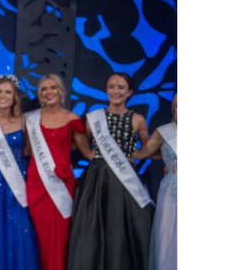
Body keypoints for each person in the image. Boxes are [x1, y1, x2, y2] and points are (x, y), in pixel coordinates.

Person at [67, 73, 154, 270]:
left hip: (126, 180)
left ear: (129, 92)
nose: (116, 91)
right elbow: (81, 140)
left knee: (122, 226)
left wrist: (135, 155)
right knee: (94, 226)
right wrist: (88, 153)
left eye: (121, 87)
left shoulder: (138, 120)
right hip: (98, 179)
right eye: (111, 86)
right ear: (106, 90)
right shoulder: (94, 117)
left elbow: (148, 147)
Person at [0, 74, 40, 270]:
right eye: (0, 91)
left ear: (15, 97)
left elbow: (29, 150)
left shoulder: (24, 121)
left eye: (8, 92)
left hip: (16, 180)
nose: (3, 96)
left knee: (17, 227)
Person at [25, 74, 86, 270]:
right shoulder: (30, 119)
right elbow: (26, 150)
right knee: (39, 235)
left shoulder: (73, 119)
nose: (49, 92)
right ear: (40, 94)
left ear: (61, 92)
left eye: (53, 88)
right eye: (44, 89)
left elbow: (85, 150)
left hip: (61, 182)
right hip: (37, 183)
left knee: (62, 235)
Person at [133, 95, 179, 270]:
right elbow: (143, 152)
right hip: (171, 190)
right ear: (173, 109)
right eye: (178, 105)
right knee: (167, 234)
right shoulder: (164, 131)